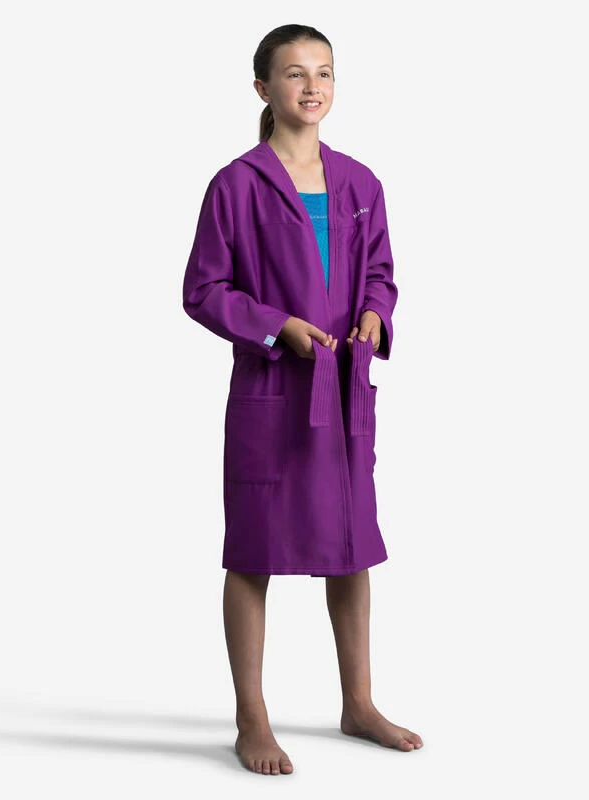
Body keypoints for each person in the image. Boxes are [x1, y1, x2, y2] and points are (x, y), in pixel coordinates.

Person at [182, 23, 423, 775]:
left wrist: (375, 314)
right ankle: (251, 718)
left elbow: (380, 272)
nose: (312, 86)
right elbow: (203, 289)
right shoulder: (236, 185)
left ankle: (358, 702)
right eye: (294, 73)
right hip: (272, 392)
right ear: (263, 88)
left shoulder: (360, 183)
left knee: (352, 547)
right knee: (253, 550)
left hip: (343, 390)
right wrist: (275, 326)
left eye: (324, 72)